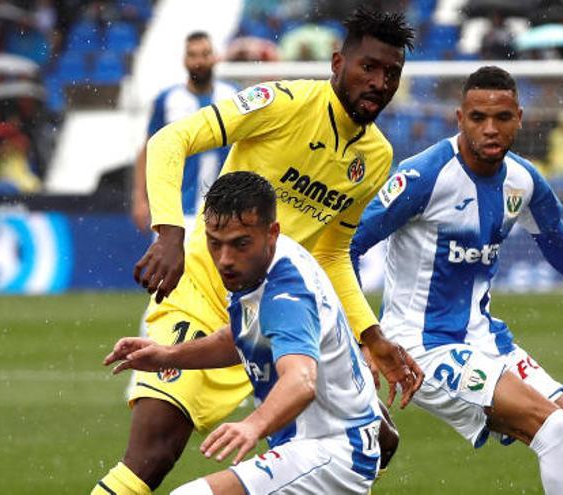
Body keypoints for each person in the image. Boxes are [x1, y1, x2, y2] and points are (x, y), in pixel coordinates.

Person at [92, 8, 422, 495]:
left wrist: (370, 336)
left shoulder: (374, 158)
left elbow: (332, 254)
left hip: (266, 312)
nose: (378, 82)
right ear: (337, 63)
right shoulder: (283, 102)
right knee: (155, 452)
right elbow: (171, 139)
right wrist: (169, 232)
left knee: (376, 441)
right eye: (367, 67)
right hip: (202, 291)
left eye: (390, 74)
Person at [350, 66, 563, 494]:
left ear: (520, 118)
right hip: (421, 349)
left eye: (502, 118)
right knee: (554, 429)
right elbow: (345, 248)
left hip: (487, 340)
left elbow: (558, 244)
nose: (490, 129)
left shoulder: (523, 179)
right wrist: (365, 337)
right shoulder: (423, 177)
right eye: (478, 118)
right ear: (460, 119)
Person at [105, 172, 383, 495]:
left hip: (328, 452)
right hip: (327, 445)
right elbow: (243, 337)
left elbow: (301, 380)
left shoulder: (285, 295)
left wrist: (253, 424)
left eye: (240, 243)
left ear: (272, 233)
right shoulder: (261, 264)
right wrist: (167, 355)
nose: (225, 259)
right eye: (215, 243)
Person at [130, 31, 237, 233]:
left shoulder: (232, 96)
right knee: (173, 264)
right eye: (193, 55)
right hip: (178, 212)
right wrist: (139, 198)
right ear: (184, 60)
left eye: (205, 54)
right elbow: (148, 149)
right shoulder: (168, 100)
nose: (199, 61)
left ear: (215, 57)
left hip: (226, 212)